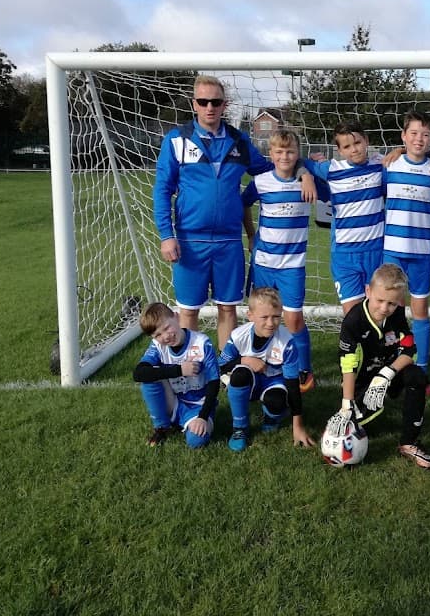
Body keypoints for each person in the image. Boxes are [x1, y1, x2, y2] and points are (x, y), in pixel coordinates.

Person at [153, 75, 314, 350]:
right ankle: (197, 368)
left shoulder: (239, 141)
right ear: (194, 104)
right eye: (203, 102)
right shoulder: (176, 140)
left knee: (228, 309)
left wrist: (304, 171)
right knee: (189, 311)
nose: (209, 107)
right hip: (190, 242)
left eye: (215, 101)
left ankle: (227, 367)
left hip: (229, 242)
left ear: (224, 104)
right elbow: (162, 190)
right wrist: (167, 235)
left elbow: (274, 166)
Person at [325, 263, 430, 469]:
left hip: (389, 372)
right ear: (368, 291)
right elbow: (347, 363)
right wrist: (347, 403)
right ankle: (357, 410)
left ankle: (409, 443)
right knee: (358, 425)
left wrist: (386, 374)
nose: (385, 308)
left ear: (399, 301)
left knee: (416, 376)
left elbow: (411, 350)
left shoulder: (397, 313)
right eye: (380, 300)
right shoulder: (353, 320)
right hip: (363, 377)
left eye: (392, 304)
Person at [242, 128, 315, 391]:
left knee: (293, 319)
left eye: (291, 151)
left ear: (298, 154)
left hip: (292, 266)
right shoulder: (261, 181)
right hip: (263, 263)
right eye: (279, 152)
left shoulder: (309, 180)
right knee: (262, 316)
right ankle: (262, 361)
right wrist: (251, 235)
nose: (285, 156)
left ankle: (304, 369)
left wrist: (307, 174)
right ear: (271, 154)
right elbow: (243, 203)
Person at [382, 111, 430, 372]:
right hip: (392, 251)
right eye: (413, 133)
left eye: (425, 135)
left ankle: (421, 367)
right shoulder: (389, 166)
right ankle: (393, 361)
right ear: (403, 136)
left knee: (420, 311)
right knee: (392, 311)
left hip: (422, 253)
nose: (419, 139)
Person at [303, 122, 387, 316]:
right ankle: (353, 347)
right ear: (339, 150)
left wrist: (398, 151)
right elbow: (300, 163)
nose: (354, 149)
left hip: (375, 251)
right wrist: (306, 177)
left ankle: (379, 347)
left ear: (366, 141)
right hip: (344, 254)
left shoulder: (380, 164)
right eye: (347, 146)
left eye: (357, 142)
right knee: (353, 315)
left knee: (377, 312)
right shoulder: (331, 169)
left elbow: (407, 159)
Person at [218, 287, 315, 452]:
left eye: (276, 317)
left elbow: (292, 385)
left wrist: (297, 426)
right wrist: (245, 360)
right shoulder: (238, 336)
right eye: (264, 317)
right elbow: (219, 366)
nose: (271, 323)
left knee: (276, 401)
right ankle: (239, 429)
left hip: (274, 382)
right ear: (250, 316)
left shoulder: (287, 342)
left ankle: (271, 418)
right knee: (240, 374)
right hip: (250, 382)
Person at [132, 302, 220, 449]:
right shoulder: (158, 346)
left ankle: (188, 423)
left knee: (196, 441)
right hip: (174, 402)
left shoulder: (201, 342)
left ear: (177, 317)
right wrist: (179, 370)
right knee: (149, 378)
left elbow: (214, 382)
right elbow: (138, 374)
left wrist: (203, 417)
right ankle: (162, 427)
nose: (165, 336)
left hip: (199, 405)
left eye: (167, 328)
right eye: (157, 335)